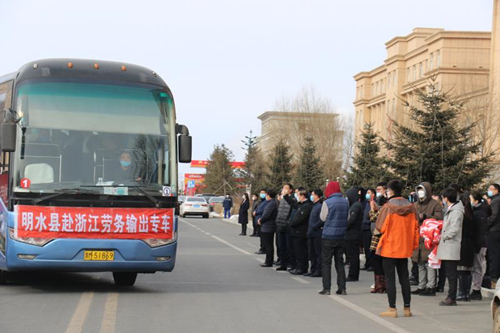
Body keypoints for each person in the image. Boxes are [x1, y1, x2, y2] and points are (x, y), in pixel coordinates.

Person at [375, 179, 419, 318]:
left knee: (390, 278)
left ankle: (392, 308)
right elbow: (416, 228)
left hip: (389, 247)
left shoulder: (387, 207)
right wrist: (413, 245)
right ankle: (407, 308)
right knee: (404, 278)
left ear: (391, 191)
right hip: (404, 247)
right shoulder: (412, 207)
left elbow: (380, 227)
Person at [411, 182, 443, 296]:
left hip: (429, 237)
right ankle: (421, 285)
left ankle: (431, 286)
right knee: (420, 263)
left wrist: (426, 217)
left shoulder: (435, 204)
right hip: (418, 237)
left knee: (429, 264)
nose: (420, 193)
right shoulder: (415, 205)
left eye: (422, 190)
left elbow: (439, 219)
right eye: (418, 190)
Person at [318, 181, 349, 296]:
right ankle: (342, 287)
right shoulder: (346, 202)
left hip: (328, 236)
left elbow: (322, 217)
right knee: (339, 262)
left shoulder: (327, 202)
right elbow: (348, 217)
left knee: (326, 262)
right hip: (341, 236)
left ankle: (326, 288)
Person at [437, 187, 464, 306]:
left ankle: (452, 297)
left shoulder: (456, 211)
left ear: (446, 198)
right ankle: (450, 295)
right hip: (447, 245)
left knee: (452, 273)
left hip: (451, 245)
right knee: (449, 272)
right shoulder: (451, 209)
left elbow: (455, 228)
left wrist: (443, 236)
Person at [284, 187, 313, 275]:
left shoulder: (307, 205)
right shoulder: (300, 204)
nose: (296, 196)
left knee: (301, 251)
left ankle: (302, 268)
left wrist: (291, 223)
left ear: (302, 195)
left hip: (301, 232)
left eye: (298, 195)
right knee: (297, 251)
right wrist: (285, 196)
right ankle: (298, 266)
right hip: (295, 232)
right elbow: (293, 203)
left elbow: (299, 219)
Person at [456, 193, 476, 302]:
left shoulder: (462, 215)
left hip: (463, 243)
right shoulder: (472, 214)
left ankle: (462, 293)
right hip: (470, 244)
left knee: (462, 271)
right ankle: (466, 293)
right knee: (468, 271)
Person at [369, 183, 388, 294]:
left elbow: (373, 217)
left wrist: (372, 209)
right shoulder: (380, 204)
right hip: (377, 236)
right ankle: (379, 283)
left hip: (380, 237)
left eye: (380, 189)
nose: (378, 192)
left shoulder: (386, 206)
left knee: (378, 260)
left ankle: (381, 284)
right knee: (376, 260)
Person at [470, 192, 489, 300]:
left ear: (476, 201)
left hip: (480, 244)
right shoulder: (477, 212)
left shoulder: (480, 213)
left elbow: (481, 231)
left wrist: (478, 244)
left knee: (478, 267)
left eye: (471, 199)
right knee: (476, 266)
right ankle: (475, 288)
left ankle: (477, 290)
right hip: (478, 243)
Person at [275, 184, 296, 271]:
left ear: (290, 190)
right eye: (283, 188)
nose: (284, 190)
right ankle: (283, 263)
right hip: (280, 224)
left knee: (289, 246)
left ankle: (290, 263)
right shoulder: (282, 199)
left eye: (286, 188)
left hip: (287, 225)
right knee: (281, 245)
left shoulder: (293, 199)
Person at [345, 187, 364, 282]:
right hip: (352, 234)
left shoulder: (356, 206)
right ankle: (353, 273)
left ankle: (353, 274)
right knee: (352, 255)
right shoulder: (354, 205)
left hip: (353, 234)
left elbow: (351, 220)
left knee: (353, 255)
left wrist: (344, 226)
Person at [258, 189, 278, 267]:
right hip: (268, 226)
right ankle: (269, 260)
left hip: (268, 226)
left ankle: (269, 261)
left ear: (268, 195)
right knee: (268, 244)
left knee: (268, 245)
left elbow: (266, 215)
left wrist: (261, 220)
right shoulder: (272, 203)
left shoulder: (271, 204)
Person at [307, 189, 324, 277]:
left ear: (317, 195)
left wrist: (315, 226)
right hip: (311, 233)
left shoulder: (320, 206)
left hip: (317, 233)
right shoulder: (314, 206)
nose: (311, 196)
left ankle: (319, 270)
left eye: (313, 194)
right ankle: (313, 269)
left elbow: (321, 219)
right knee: (312, 253)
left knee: (318, 253)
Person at [487, 184, 500, 289]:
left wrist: (486, 225)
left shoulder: (496, 201)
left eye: (491, 189)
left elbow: (493, 216)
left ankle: (494, 279)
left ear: (497, 190)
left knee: (493, 255)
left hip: (494, 231)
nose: (489, 191)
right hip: (496, 230)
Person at [361, 188, 376, 271]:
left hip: (369, 227)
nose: (367, 194)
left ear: (373, 194)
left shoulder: (373, 203)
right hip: (364, 227)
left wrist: (368, 222)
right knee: (366, 248)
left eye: (369, 192)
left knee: (370, 248)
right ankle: (367, 263)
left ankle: (372, 264)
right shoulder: (367, 203)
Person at [253, 189, 269, 255]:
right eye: (261, 193)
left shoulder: (267, 202)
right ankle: (262, 247)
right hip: (258, 220)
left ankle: (263, 248)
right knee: (261, 236)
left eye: (263, 193)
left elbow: (263, 210)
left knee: (263, 237)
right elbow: (258, 208)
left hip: (262, 220)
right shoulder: (261, 201)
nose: (262, 194)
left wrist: (256, 212)